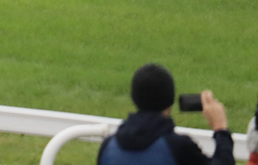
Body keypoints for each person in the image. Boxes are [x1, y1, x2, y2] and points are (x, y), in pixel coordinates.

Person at [98, 63, 233, 165]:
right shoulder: (178, 146)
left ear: (134, 98)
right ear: (170, 101)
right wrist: (220, 128)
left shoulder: (108, 146)